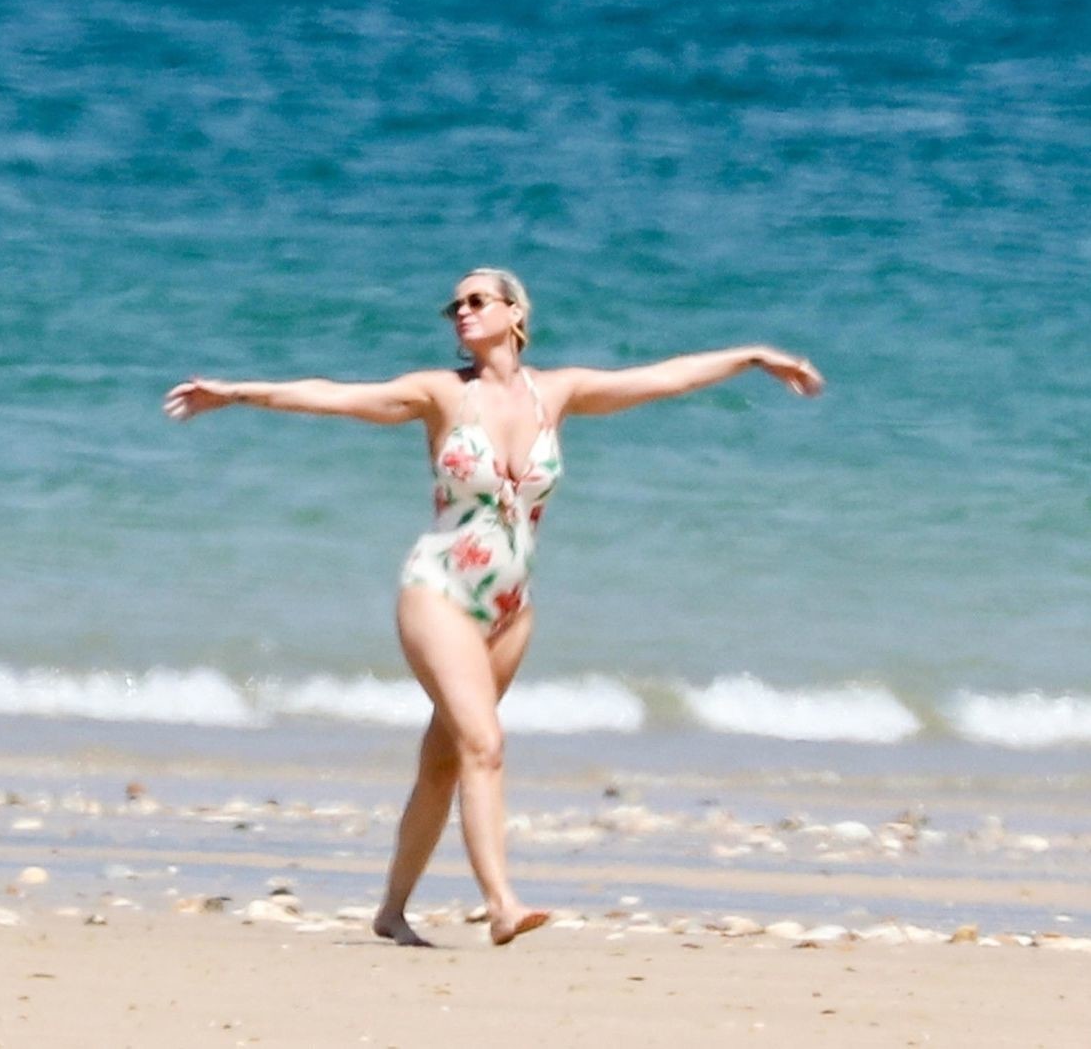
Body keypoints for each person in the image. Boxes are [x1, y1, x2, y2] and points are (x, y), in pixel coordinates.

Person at [163, 268, 824, 946]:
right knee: (485, 744)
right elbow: (337, 396)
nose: (462, 311)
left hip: (511, 608)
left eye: (477, 300)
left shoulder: (558, 392)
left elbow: (662, 378)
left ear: (515, 313)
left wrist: (752, 356)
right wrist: (237, 392)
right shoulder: (441, 393)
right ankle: (502, 903)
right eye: (455, 305)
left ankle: (391, 911)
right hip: (439, 590)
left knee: (444, 761)